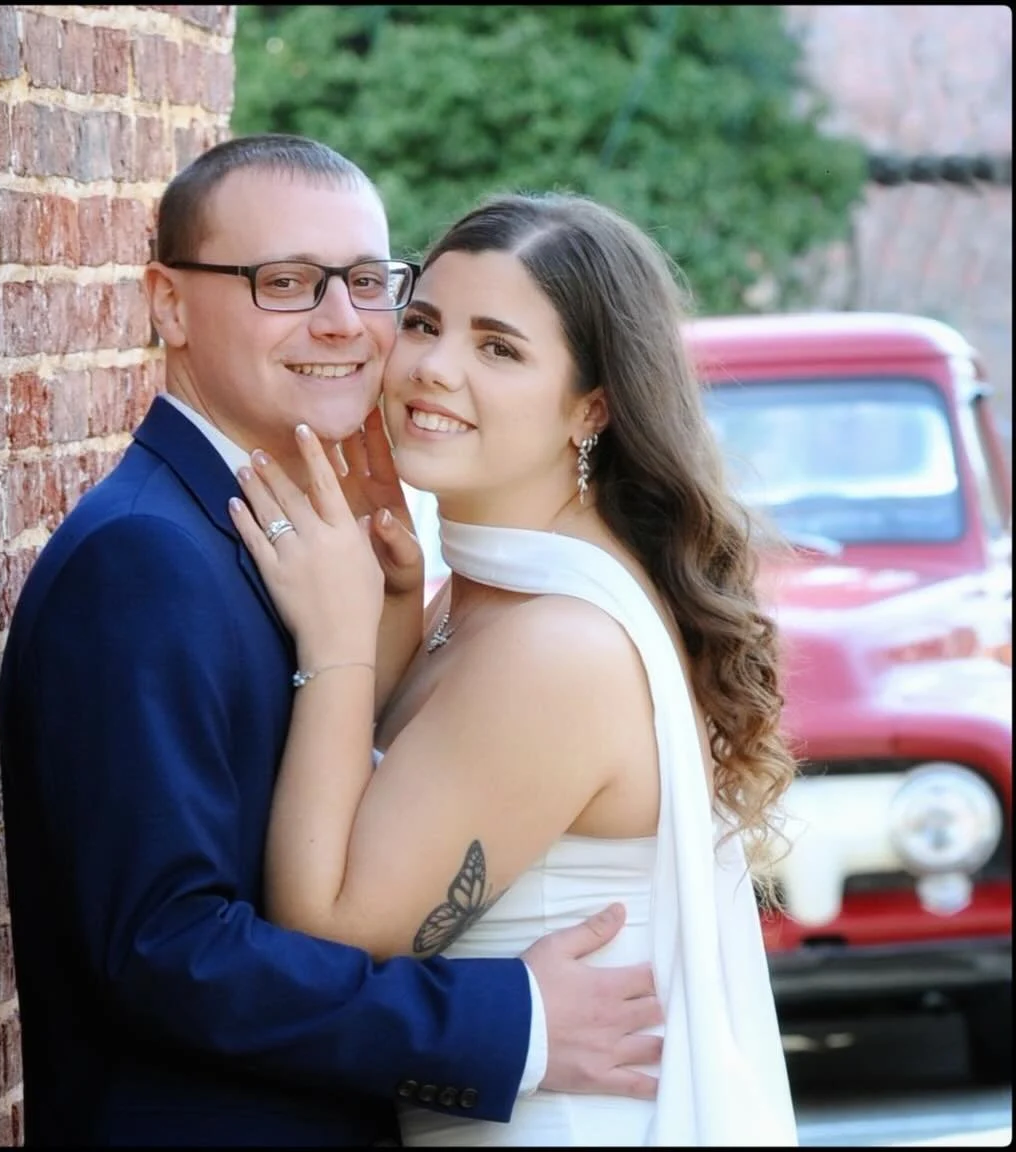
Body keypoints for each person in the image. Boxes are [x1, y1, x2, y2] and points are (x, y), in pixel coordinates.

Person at [0, 137, 665, 1147]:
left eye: (364, 281)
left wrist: (382, 639)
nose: (343, 323)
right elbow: (164, 948)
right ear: (168, 303)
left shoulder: (290, 545)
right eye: (285, 283)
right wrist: (503, 1024)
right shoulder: (146, 560)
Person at [229, 192, 801, 1146]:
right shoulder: (493, 597)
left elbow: (326, 933)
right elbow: (403, 803)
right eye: (423, 324)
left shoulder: (556, 647)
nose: (432, 369)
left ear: (592, 407)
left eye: (498, 348)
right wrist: (396, 623)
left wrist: (333, 642)